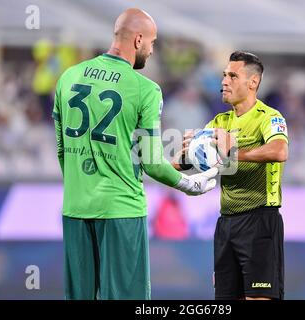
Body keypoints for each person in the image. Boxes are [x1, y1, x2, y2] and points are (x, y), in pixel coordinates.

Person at [52, 8, 218, 300]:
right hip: (122, 211)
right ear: (139, 39)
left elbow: (62, 150)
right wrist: (190, 184)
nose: (152, 51)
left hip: (75, 208)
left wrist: (82, 187)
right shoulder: (145, 89)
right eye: (152, 43)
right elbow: (152, 163)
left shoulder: (69, 77)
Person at [173, 51, 289, 300]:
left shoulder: (268, 117)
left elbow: (280, 150)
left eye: (233, 76)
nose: (224, 81)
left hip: (260, 221)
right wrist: (183, 154)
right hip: (226, 224)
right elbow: (185, 163)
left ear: (253, 82)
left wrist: (233, 153)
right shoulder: (218, 122)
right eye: (224, 75)